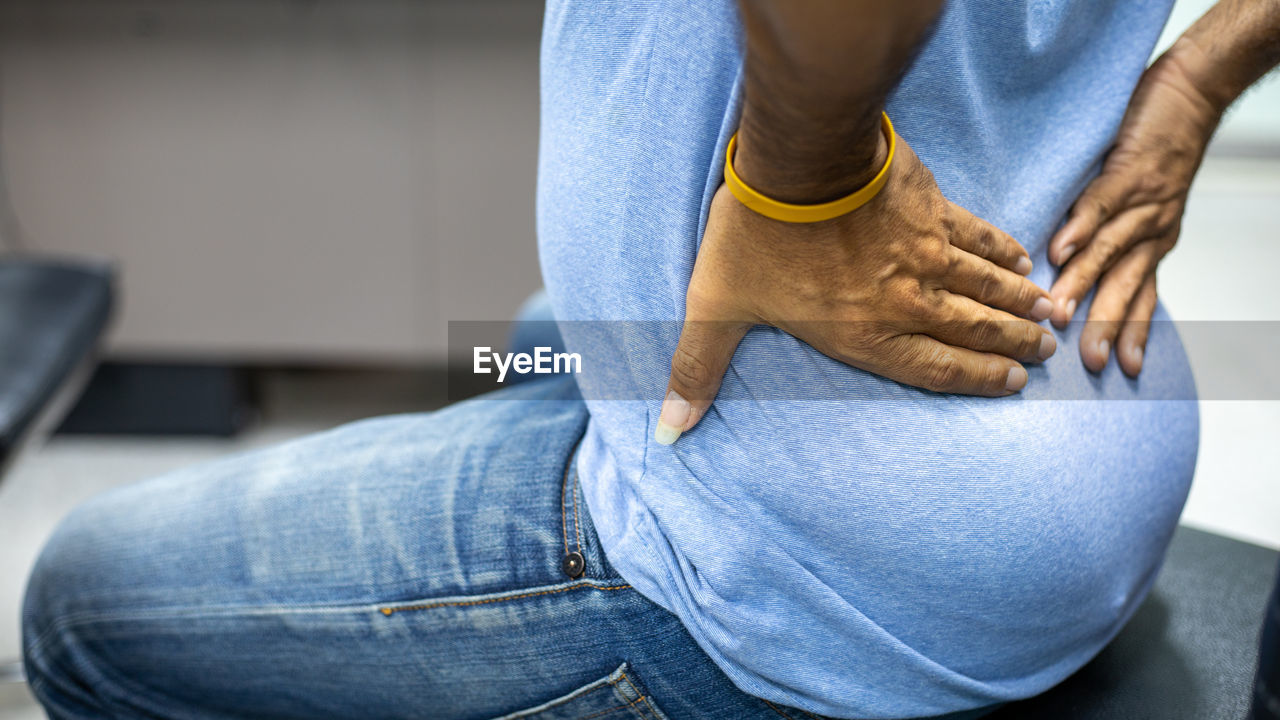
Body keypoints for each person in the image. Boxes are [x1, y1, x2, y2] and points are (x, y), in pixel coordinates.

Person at [20, 1, 1280, 718]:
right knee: (525, 344)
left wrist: (806, 187)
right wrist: (1199, 76)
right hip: (1102, 431)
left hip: (810, 559)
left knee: (77, 605)